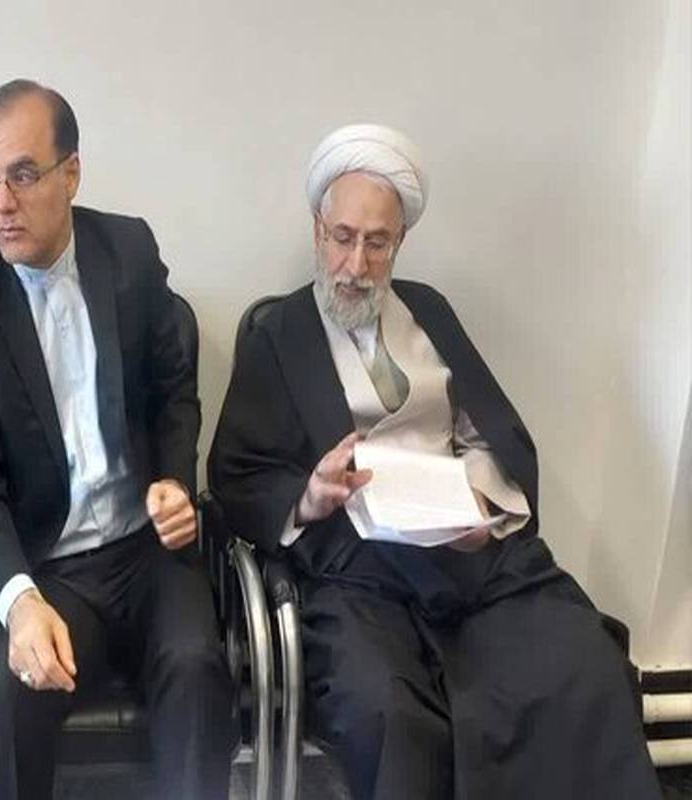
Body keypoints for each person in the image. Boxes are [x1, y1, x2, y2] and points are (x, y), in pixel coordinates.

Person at [208, 123, 660, 800]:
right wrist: (308, 496)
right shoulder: (279, 335)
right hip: (356, 575)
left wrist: (482, 505)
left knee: (584, 668)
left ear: (400, 242)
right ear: (317, 231)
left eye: (376, 243)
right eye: (342, 237)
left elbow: (489, 434)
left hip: (472, 559)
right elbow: (239, 473)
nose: (355, 264)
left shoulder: (430, 311)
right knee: (393, 712)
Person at [0, 79, 235, 800]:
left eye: (23, 175)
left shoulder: (128, 251)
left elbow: (173, 389)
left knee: (197, 668)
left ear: (71, 174)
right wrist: (18, 602)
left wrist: (174, 479)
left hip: (146, 551)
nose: (2, 204)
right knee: (7, 698)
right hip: (50, 569)